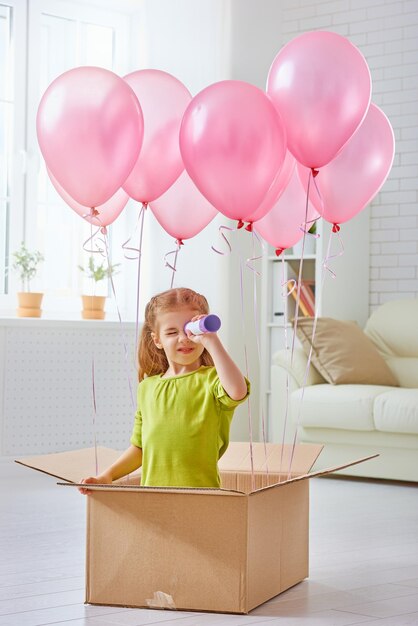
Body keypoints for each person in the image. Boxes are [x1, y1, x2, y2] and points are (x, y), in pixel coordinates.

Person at [79, 287, 250, 493]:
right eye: (172, 332)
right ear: (157, 340)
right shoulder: (147, 388)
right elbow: (140, 448)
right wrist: (107, 475)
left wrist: (211, 341)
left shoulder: (213, 380)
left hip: (202, 497)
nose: (184, 338)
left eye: (191, 330)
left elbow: (237, 391)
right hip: (153, 496)